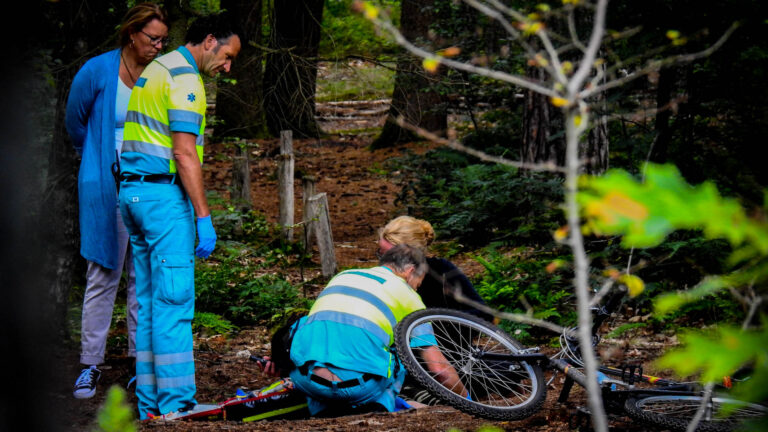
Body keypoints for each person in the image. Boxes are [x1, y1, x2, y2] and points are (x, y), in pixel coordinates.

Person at [117, 12, 241, 420]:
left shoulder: (155, 68)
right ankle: (176, 406)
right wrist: (203, 216)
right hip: (162, 200)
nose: (227, 66)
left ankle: (152, 404)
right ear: (209, 40)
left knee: (152, 303)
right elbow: (184, 152)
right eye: (226, 56)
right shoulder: (186, 79)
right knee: (174, 303)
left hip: (132, 195)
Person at [65, 3, 170, 400]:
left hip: (149, 186)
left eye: (163, 40)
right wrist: (96, 157)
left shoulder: (161, 73)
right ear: (131, 34)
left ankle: (137, 364)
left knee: (142, 276)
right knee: (102, 273)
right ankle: (90, 364)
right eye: (152, 38)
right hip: (105, 184)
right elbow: (75, 122)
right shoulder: (97, 70)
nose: (158, 46)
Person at [280, 244, 467, 416]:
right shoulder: (409, 297)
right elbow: (439, 369)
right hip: (359, 388)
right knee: (400, 351)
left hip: (307, 381)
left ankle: (324, 410)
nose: (417, 287)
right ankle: (381, 407)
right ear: (411, 272)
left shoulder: (343, 276)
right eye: (420, 281)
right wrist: (467, 400)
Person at [378, 215, 493, 321]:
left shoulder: (442, 271)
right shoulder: (380, 276)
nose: (385, 262)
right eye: (381, 254)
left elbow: (483, 313)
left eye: (392, 257)